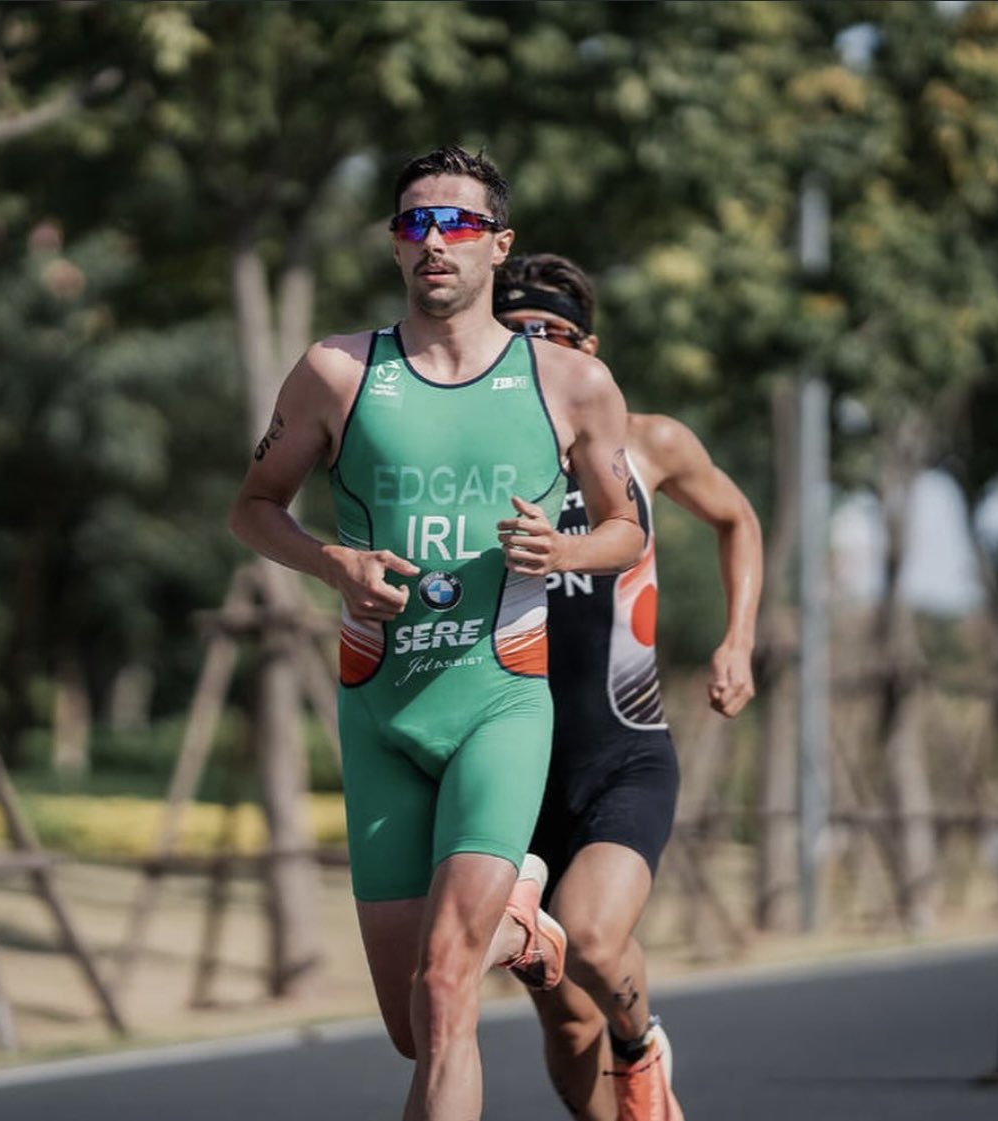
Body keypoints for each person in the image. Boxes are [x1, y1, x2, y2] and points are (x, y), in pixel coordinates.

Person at [228, 148, 644, 1121]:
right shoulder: (337, 372)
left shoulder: (569, 382)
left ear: (498, 244)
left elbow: (625, 529)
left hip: (500, 698)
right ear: (392, 244)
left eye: (455, 224)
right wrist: (333, 562)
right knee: (415, 1023)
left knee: (451, 983)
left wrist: (560, 549)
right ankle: (529, 933)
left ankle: (507, 919)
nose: (433, 243)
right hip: (379, 710)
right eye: (414, 224)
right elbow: (252, 508)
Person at [494, 253, 763, 1121]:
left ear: (590, 349)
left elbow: (737, 518)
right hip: (510, 769)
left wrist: (737, 640)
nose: (535, 348)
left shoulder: (650, 444)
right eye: (516, 333)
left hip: (622, 753)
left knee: (596, 939)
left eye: (553, 334)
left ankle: (643, 1045)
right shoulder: (469, 459)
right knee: (566, 1027)